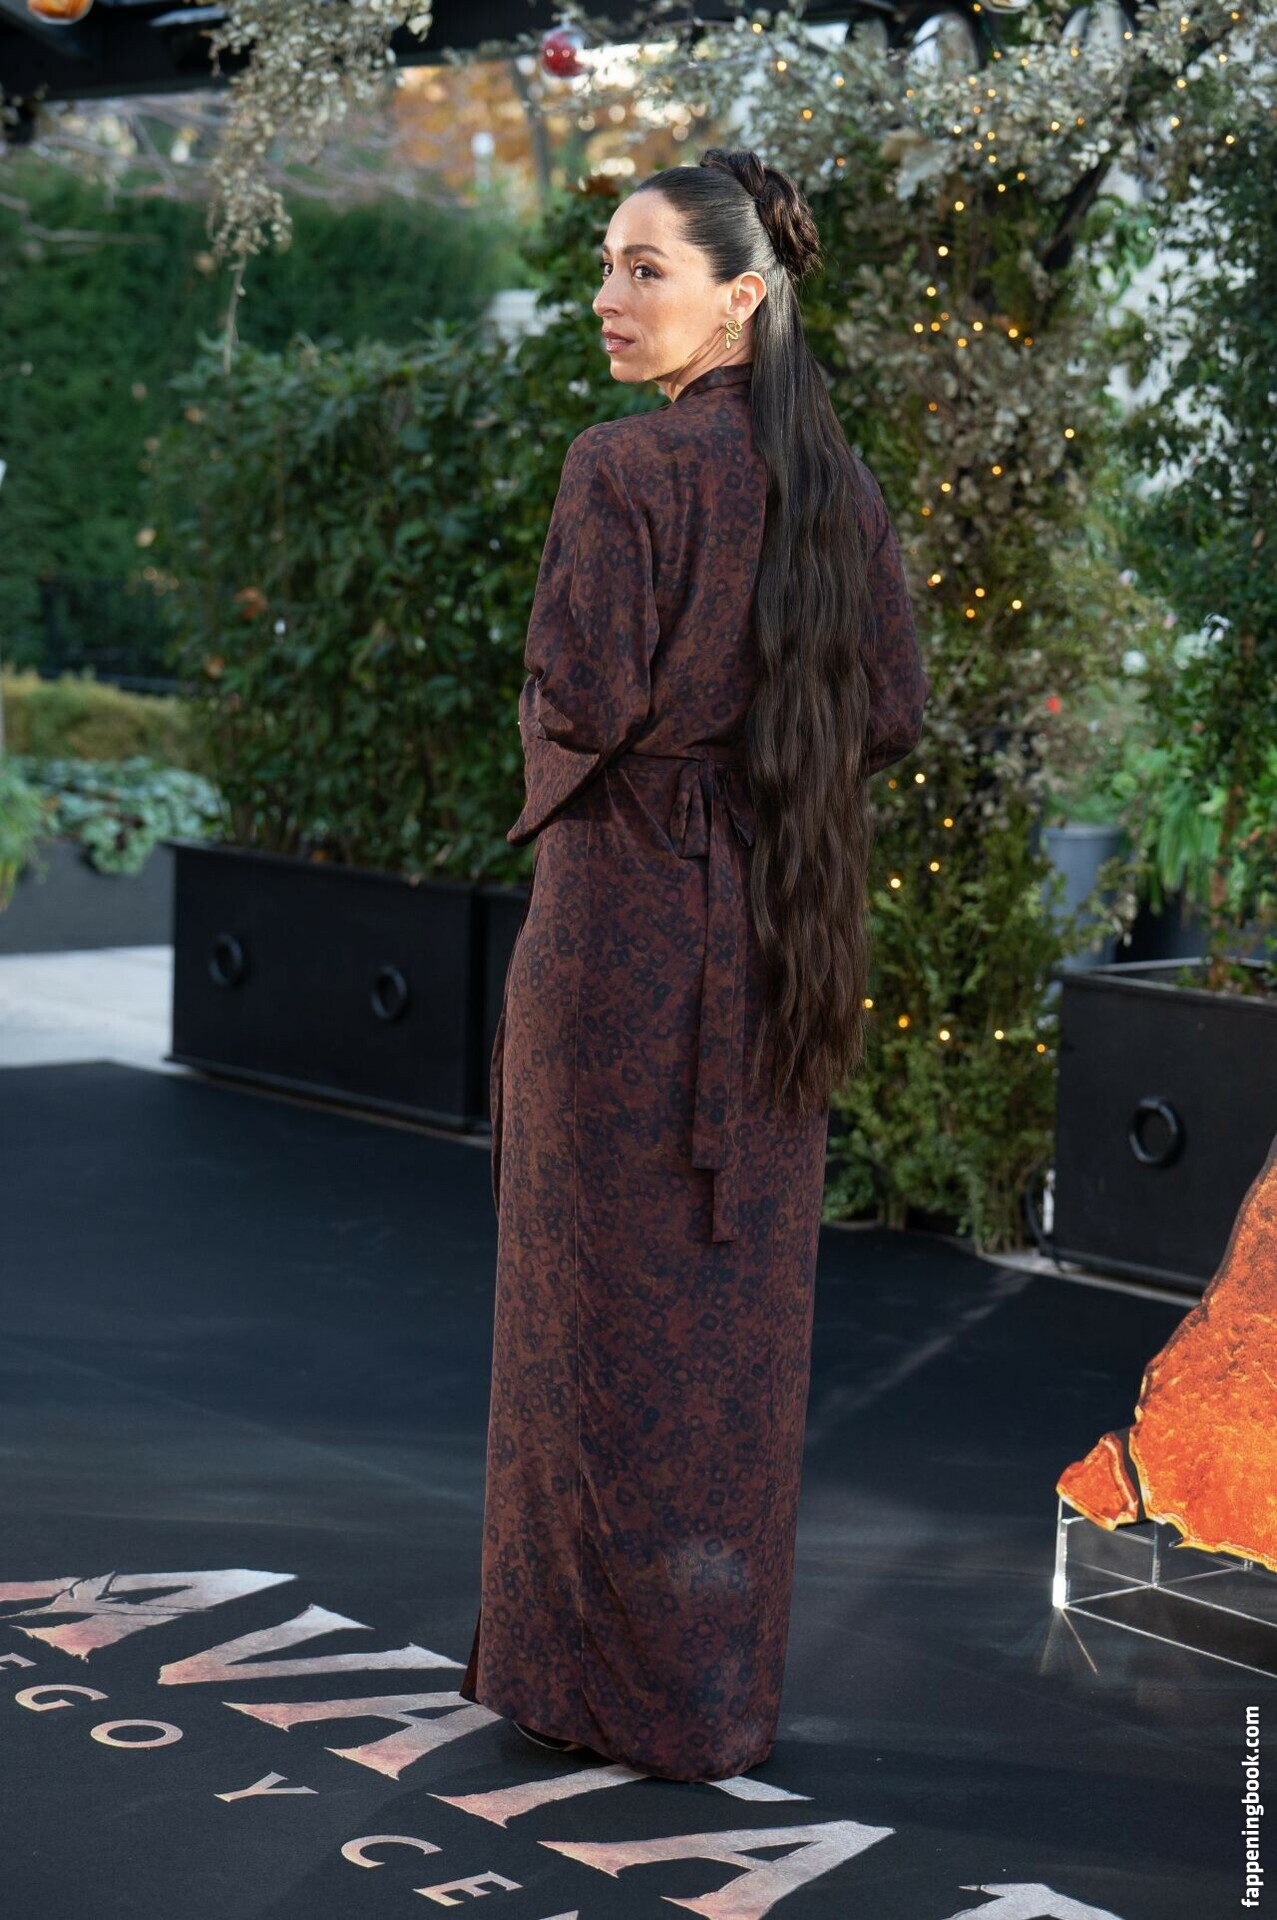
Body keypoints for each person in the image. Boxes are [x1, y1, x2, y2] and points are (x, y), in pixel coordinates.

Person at [456, 147, 931, 1784]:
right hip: (779, 939)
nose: (607, 296)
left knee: (584, 1328)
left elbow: (577, 697)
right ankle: (706, 1702)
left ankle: (581, 1684)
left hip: (620, 944)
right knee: (730, 1337)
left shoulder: (621, 469)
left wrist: (636, 762)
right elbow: (888, 710)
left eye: (642, 267)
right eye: (604, 264)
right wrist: (753, 774)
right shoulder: (837, 484)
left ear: (740, 296)